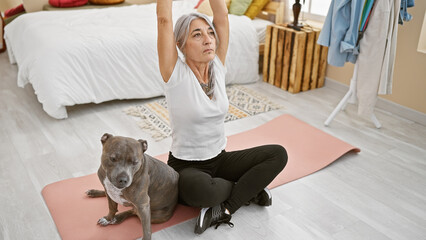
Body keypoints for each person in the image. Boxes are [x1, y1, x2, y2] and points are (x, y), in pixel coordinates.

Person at [156, 0, 288, 234]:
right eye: (197, 35)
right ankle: (248, 188)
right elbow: (164, 19)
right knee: (202, 191)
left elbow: (221, 14)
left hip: (220, 159)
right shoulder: (174, 74)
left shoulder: (217, 65)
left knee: (278, 154)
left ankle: (225, 208)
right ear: (181, 45)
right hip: (187, 167)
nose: (208, 39)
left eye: (210, 33)